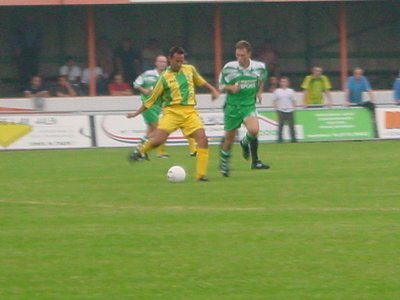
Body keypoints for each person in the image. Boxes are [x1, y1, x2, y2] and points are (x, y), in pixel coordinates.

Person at [126, 46, 220, 181]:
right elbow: (151, 99)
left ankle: (200, 175)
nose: (180, 63)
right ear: (170, 59)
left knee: (203, 140)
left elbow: (201, 81)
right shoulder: (164, 78)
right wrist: (136, 113)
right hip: (172, 112)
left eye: (182, 60)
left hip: (190, 112)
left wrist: (213, 90)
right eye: (177, 60)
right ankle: (140, 151)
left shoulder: (190, 69)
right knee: (158, 140)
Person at [218, 40, 270, 177]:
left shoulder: (259, 67)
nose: (239, 58)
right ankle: (224, 163)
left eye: (242, 55)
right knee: (228, 140)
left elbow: (262, 78)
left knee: (254, 130)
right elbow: (221, 85)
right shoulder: (229, 68)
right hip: (232, 107)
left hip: (248, 106)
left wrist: (259, 92)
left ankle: (244, 142)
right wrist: (231, 88)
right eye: (237, 55)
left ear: (249, 54)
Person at [133, 55, 197, 158]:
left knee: (152, 130)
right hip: (149, 106)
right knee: (159, 129)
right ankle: (146, 151)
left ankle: (141, 150)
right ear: (156, 63)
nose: (162, 64)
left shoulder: (169, 73)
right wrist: (144, 90)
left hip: (161, 106)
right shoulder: (148, 74)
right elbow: (136, 83)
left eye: (164, 62)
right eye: (160, 62)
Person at [14, 15, 42, 86]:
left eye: (32, 17)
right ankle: (23, 86)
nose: (30, 19)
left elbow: (39, 39)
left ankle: (35, 86)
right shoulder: (21, 27)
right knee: (23, 69)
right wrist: (18, 48)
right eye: (29, 17)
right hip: (24, 50)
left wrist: (39, 48)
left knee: (34, 69)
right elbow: (17, 38)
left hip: (33, 50)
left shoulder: (37, 27)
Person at [273, 77, 297, 143]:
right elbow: (274, 101)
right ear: (280, 83)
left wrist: (293, 108)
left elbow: (293, 101)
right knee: (280, 126)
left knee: (291, 126)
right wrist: (276, 109)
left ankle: (293, 139)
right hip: (280, 110)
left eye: (285, 81)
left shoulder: (291, 91)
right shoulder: (277, 91)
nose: (283, 83)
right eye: (282, 81)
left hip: (290, 111)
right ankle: (280, 140)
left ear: (287, 83)